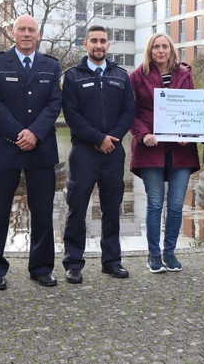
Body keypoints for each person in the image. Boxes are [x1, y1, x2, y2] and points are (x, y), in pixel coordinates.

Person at [0, 14, 62, 289]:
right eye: (21, 29)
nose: (26, 34)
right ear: (12, 33)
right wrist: (19, 134)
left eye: (31, 30)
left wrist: (35, 133)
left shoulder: (51, 65)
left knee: (42, 210)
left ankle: (41, 267)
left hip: (41, 148)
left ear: (38, 35)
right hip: (6, 148)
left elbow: (54, 104)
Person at [61, 26, 135, 283]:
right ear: (85, 44)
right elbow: (71, 115)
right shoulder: (73, 77)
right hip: (83, 152)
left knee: (112, 208)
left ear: (108, 45)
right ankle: (73, 263)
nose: (98, 45)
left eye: (103, 41)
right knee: (77, 207)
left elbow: (129, 112)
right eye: (94, 41)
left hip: (113, 152)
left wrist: (111, 138)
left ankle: (112, 261)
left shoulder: (121, 76)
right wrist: (97, 138)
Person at [129, 33, 200, 273]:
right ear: (150, 50)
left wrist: (187, 133)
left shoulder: (185, 74)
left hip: (181, 150)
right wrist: (143, 135)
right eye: (156, 47)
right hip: (150, 148)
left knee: (177, 204)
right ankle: (153, 255)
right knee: (155, 203)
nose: (161, 51)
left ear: (171, 50)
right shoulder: (137, 76)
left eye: (165, 47)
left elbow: (192, 108)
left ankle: (170, 253)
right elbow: (132, 113)